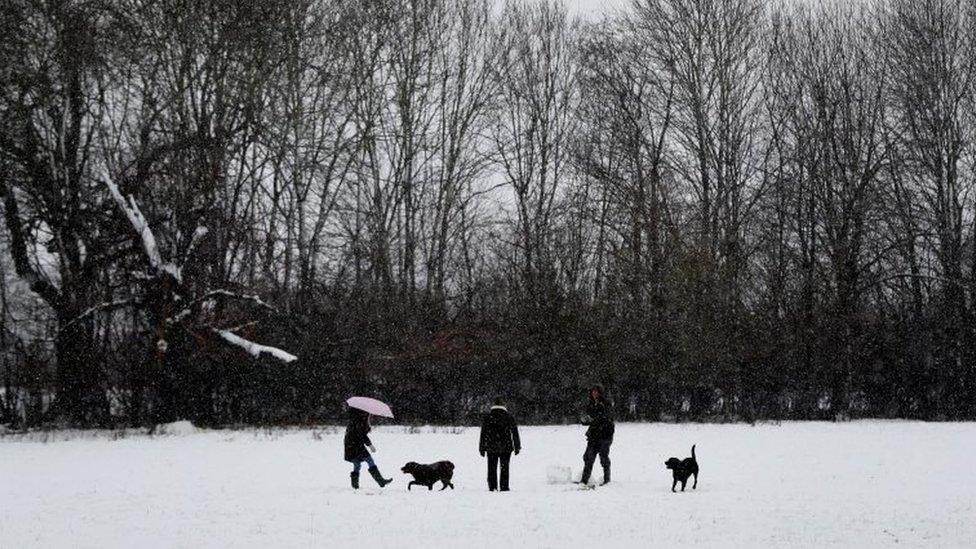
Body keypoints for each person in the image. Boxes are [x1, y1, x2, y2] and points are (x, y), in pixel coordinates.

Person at [479, 397, 521, 491]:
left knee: (491, 468)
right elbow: (515, 432)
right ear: (503, 404)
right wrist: (517, 446)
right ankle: (504, 487)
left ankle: (492, 486)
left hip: (491, 446)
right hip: (506, 446)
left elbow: (483, 433)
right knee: (504, 467)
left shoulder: (488, 416)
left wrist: (482, 448)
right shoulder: (508, 416)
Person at [344, 408, 392, 489]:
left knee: (357, 463)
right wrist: (370, 445)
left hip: (351, 445)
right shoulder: (359, 421)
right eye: (368, 414)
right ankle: (381, 481)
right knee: (369, 460)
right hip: (356, 445)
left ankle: (355, 485)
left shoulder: (354, 420)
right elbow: (362, 435)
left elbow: (359, 434)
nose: (369, 416)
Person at [579, 384, 614, 486]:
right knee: (588, 457)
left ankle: (607, 480)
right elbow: (590, 419)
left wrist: (594, 418)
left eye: (596, 391)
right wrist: (584, 420)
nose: (594, 393)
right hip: (594, 435)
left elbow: (606, 418)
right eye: (592, 391)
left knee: (603, 457)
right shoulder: (590, 404)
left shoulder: (606, 404)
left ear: (600, 393)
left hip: (605, 435)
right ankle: (584, 480)